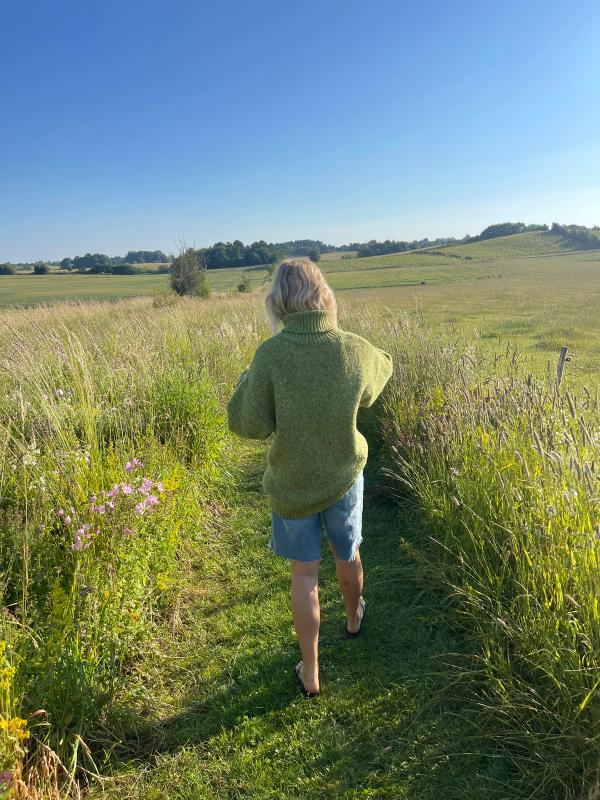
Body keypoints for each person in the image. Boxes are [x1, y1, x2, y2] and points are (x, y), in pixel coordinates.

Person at [227, 257, 393, 698]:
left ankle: (312, 673)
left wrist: (249, 378)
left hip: (292, 484)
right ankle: (354, 618)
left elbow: (246, 423)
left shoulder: (270, 356)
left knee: (304, 575)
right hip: (343, 476)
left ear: (278, 300)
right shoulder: (353, 348)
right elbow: (382, 375)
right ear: (323, 294)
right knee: (348, 552)